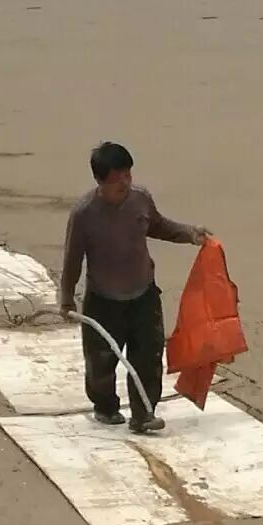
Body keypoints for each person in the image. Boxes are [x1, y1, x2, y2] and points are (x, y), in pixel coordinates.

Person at [60, 141, 210, 434]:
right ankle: (105, 407)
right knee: (101, 362)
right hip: (103, 300)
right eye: (117, 180)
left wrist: (190, 234)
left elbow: (158, 225)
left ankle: (143, 414)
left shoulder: (140, 199)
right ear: (100, 181)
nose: (125, 184)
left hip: (143, 294)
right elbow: (72, 259)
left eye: (128, 175)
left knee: (148, 358)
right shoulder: (84, 214)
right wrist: (66, 298)